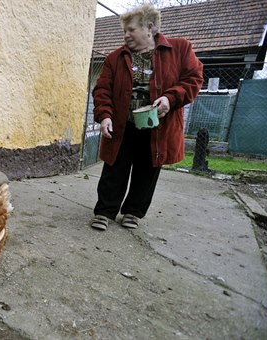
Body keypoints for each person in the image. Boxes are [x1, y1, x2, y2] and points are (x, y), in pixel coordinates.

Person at [90, 4, 203, 230]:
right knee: (115, 167)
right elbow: (102, 90)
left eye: (131, 30)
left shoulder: (179, 49)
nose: (126, 35)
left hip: (158, 126)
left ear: (149, 28)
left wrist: (170, 99)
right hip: (123, 125)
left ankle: (133, 212)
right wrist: (105, 116)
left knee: (148, 169)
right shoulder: (116, 57)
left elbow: (193, 79)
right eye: (124, 31)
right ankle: (104, 211)